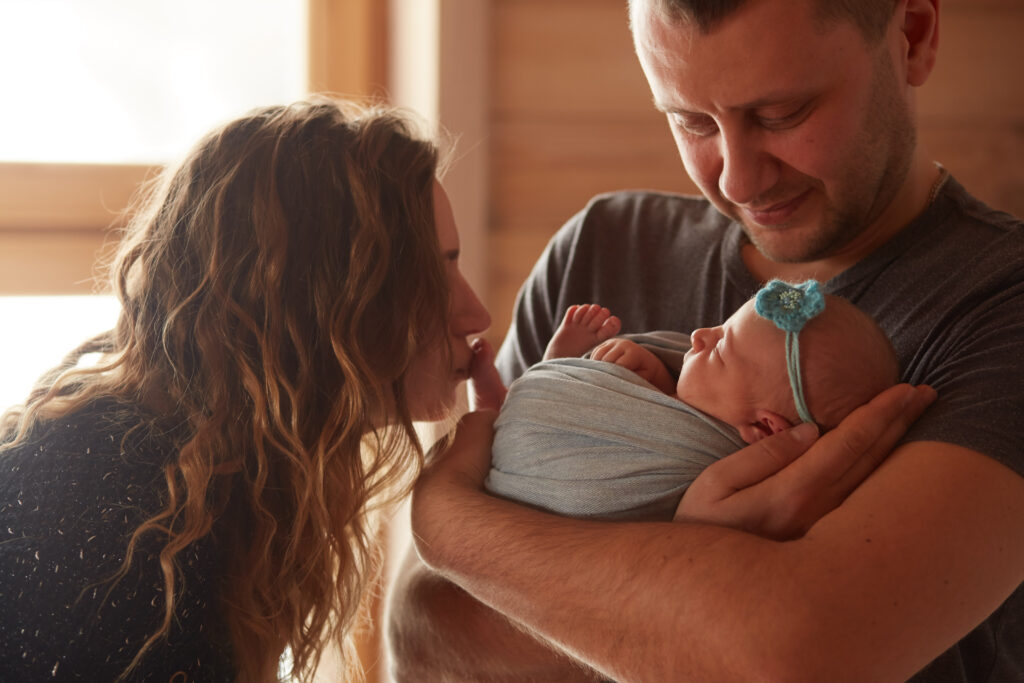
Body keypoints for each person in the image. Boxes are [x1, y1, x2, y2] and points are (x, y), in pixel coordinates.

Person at [387, 0, 1024, 681]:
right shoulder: (602, 249)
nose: (737, 179)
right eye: (691, 121)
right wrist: (708, 571)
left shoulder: (998, 309)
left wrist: (447, 518)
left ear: (914, 36)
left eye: (783, 114)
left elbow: (786, 659)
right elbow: (424, 626)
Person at [0, 97, 493, 682]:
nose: (475, 313)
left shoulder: (218, 481)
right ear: (325, 298)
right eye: (435, 275)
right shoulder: (125, 519)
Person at [487, 281, 899, 521]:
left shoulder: (724, 466)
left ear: (765, 429)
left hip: (553, 486)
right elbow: (672, 405)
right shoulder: (719, 403)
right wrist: (651, 375)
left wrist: (620, 383)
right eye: (722, 326)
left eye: (720, 348)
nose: (701, 333)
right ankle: (563, 371)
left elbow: (655, 448)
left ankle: (559, 367)